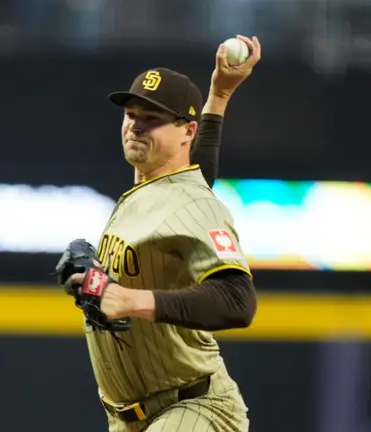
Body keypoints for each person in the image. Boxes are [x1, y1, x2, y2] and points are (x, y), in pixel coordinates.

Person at [63, 36, 261, 432]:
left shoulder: (193, 202)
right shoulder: (156, 190)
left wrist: (130, 299)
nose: (135, 125)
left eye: (152, 118)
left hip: (194, 406)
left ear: (187, 131)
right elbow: (196, 173)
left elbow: (238, 301)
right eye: (130, 114)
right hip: (132, 418)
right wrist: (219, 96)